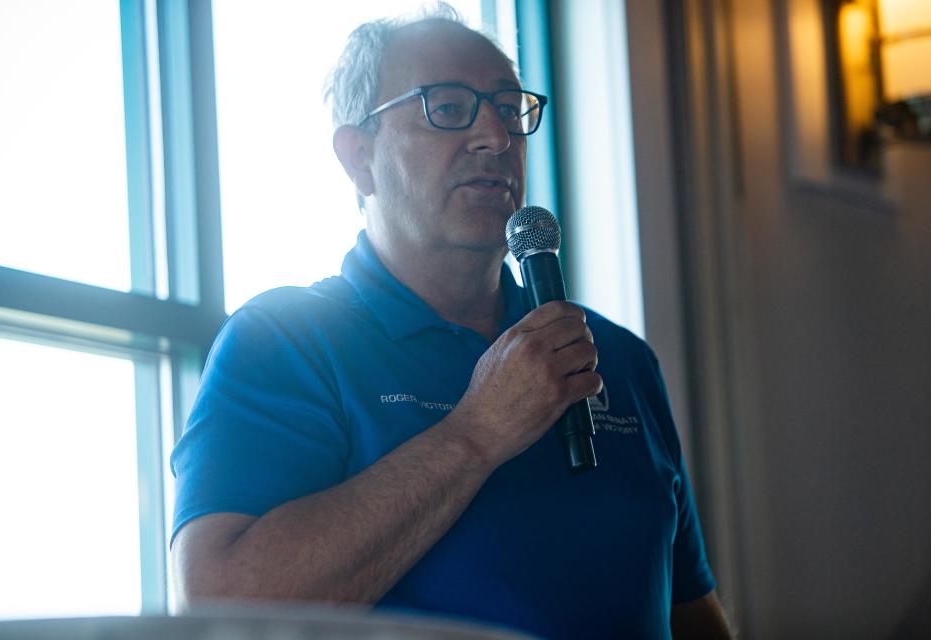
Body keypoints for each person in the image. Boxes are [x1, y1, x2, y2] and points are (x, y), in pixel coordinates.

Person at [169, 5, 732, 639]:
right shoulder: (285, 340)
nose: (495, 135)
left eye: (507, 105)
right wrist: (476, 433)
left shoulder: (618, 357)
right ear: (358, 156)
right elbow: (219, 607)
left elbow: (689, 611)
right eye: (448, 105)